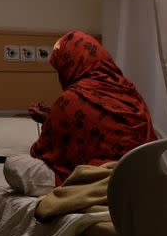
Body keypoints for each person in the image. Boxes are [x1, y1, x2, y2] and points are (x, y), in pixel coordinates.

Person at [26, 30, 157, 186]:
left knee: (16, 166)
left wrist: (51, 122)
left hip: (102, 178)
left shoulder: (70, 101)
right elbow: (98, 129)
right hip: (144, 174)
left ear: (68, 65)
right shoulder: (129, 92)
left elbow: (43, 151)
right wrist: (52, 118)